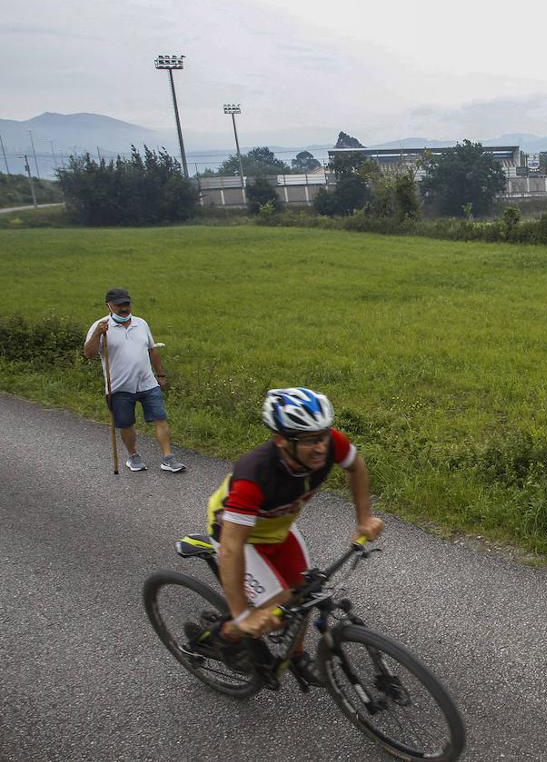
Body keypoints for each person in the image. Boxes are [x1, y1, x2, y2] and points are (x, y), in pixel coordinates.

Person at [199, 387, 384, 684]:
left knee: (305, 593)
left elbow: (357, 467)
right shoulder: (254, 476)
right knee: (280, 609)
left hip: (277, 529)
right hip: (238, 539)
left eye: (322, 436)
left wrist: (363, 519)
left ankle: (296, 656)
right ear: (281, 440)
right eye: (310, 441)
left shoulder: (329, 443)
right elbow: (232, 547)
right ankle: (227, 633)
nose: (321, 448)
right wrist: (243, 615)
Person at [83, 287, 186, 473]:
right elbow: (88, 354)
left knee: (160, 418)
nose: (124, 308)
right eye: (119, 305)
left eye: (127, 304)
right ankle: (133, 456)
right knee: (126, 423)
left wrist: (160, 375)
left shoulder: (141, 323)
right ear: (109, 305)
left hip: (147, 382)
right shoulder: (101, 326)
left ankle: (168, 458)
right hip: (119, 387)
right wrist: (98, 333)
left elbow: (152, 350)